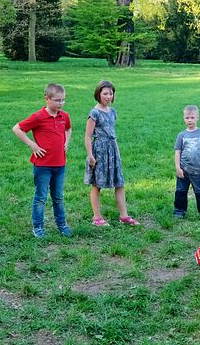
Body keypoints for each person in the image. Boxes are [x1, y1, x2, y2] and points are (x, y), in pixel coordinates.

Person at [12, 83, 73, 238]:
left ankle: (62, 224)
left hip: (60, 165)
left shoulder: (64, 116)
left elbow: (68, 128)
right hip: (43, 166)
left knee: (58, 197)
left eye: (63, 100)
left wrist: (66, 142)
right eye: (57, 100)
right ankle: (38, 227)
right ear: (47, 99)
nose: (61, 103)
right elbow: (17, 129)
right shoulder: (39, 116)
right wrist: (32, 145)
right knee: (40, 197)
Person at [84, 80, 139, 226]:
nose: (108, 96)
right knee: (97, 184)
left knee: (119, 183)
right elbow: (88, 136)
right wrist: (90, 155)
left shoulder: (113, 112)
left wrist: (117, 152)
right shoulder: (94, 113)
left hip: (113, 150)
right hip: (99, 151)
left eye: (111, 93)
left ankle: (124, 215)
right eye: (105, 93)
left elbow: (112, 132)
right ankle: (97, 217)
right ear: (98, 94)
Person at [173, 105, 200, 218]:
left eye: (192, 117)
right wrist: (178, 167)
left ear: (197, 118)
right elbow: (177, 152)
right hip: (183, 170)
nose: (190, 120)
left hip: (198, 170)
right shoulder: (181, 135)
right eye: (187, 118)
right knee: (180, 191)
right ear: (184, 118)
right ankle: (179, 212)